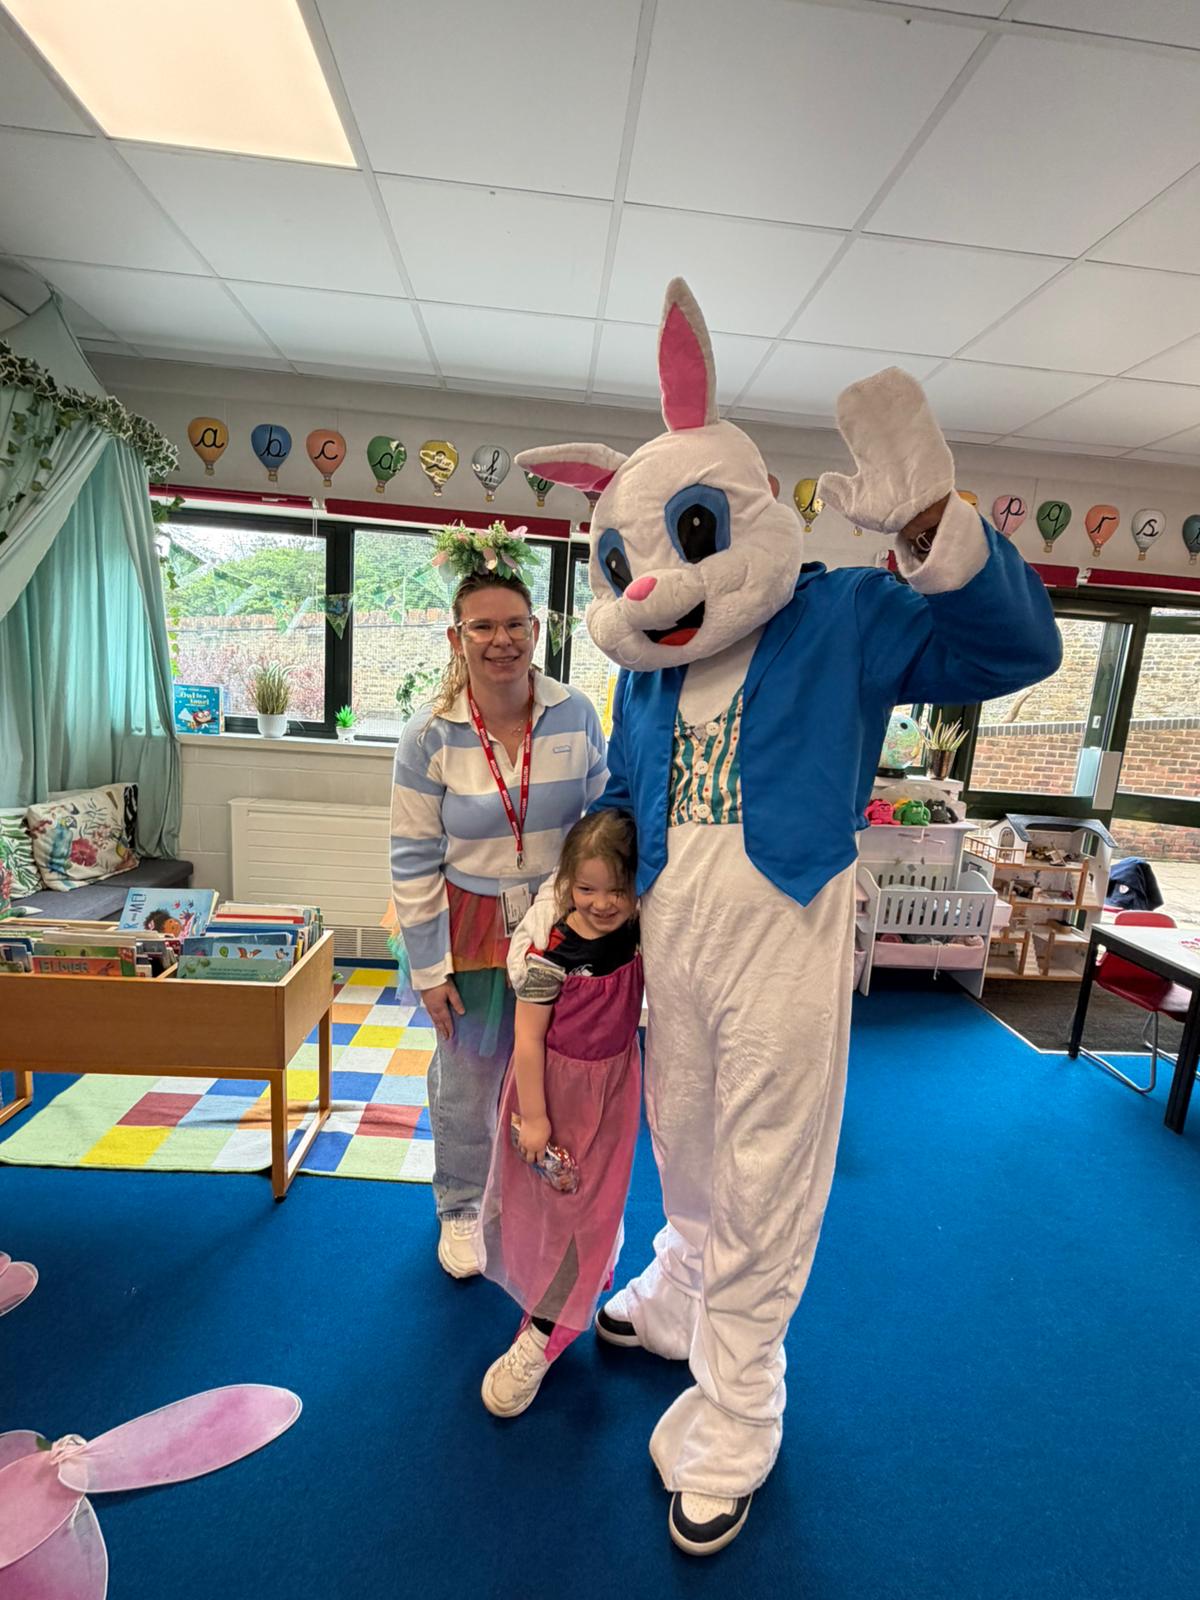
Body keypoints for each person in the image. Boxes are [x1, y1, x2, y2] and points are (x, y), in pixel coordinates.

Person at [510, 279, 1063, 1556]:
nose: (654, 587)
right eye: (625, 568)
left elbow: (1012, 653)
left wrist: (931, 526)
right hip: (675, 943)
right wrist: (566, 895)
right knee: (685, 1132)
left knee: (769, 1164)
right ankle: (683, 1280)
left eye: (687, 535)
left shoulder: (840, 615)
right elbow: (627, 799)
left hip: (783, 933)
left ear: (747, 505)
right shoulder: (650, 675)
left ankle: (739, 1404)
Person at [387, 524, 607, 1280]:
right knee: (469, 1075)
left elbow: (603, 822)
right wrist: (429, 971)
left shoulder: (577, 713)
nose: (500, 640)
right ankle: (459, 1205)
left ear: (537, 631)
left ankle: (531, 1193)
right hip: (470, 926)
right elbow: (411, 859)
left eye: (514, 624)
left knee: (550, 1069)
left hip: (559, 924)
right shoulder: (428, 735)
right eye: (482, 627)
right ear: (457, 637)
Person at [476, 809, 643, 1418]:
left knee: (596, 1211)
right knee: (553, 1211)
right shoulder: (550, 954)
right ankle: (547, 1317)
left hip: (614, 1092)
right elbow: (527, 1039)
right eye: (587, 888)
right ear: (567, 883)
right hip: (551, 1098)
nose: (602, 903)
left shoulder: (638, 929)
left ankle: (550, 1326)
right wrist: (538, 1118)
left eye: (617, 889)